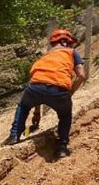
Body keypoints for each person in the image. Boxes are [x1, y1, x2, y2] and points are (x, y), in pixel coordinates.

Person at [7, 29, 86, 159]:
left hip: (35, 89)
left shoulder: (46, 56)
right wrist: (69, 92)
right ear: (68, 42)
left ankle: (14, 135)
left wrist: (36, 112)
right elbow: (82, 76)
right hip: (59, 91)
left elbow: (40, 82)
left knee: (23, 106)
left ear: (53, 42)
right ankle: (61, 147)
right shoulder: (72, 53)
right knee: (65, 116)